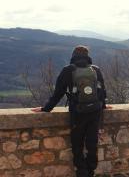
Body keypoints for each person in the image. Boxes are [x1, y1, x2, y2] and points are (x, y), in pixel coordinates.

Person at [32, 45, 111, 177]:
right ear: (87, 55)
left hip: (78, 113)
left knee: (77, 144)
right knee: (92, 143)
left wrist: (46, 108)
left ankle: (82, 172)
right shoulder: (95, 69)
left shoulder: (68, 70)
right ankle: (91, 170)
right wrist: (103, 105)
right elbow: (102, 91)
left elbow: (58, 93)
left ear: (73, 55)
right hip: (95, 112)